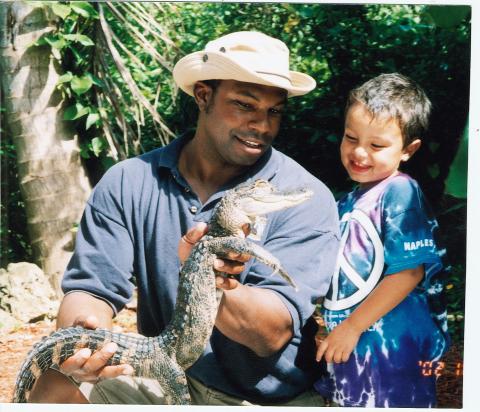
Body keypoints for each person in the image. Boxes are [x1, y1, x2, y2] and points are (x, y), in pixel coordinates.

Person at [28, 31, 340, 405]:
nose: (262, 125)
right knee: (56, 383)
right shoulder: (129, 181)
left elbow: (270, 335)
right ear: (204, 96)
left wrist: (209, 274)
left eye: (274, 111)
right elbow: (91, 290)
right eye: (245, 105)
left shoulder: (301, 196)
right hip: (165, 372)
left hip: (264, 399)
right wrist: (83, 338)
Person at [313, 73, 450, 407]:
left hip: (393, 357)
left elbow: (409, 272)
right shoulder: (345, 203)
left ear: (408, 150)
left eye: (376, 145)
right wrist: (332, 325)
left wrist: (350, 327)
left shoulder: (400, 191)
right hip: (353, 350)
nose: (359, 152)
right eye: (350, 138)